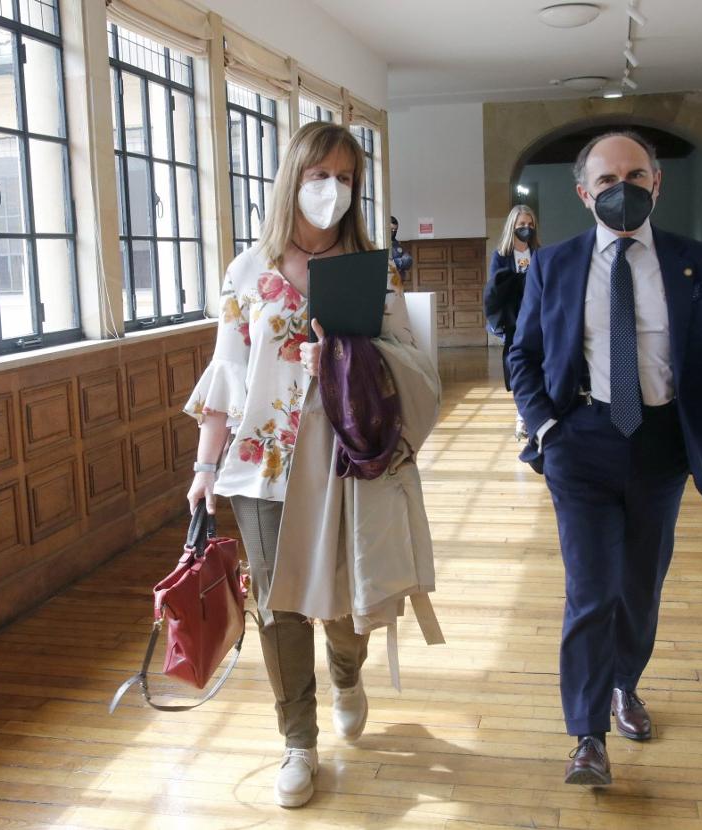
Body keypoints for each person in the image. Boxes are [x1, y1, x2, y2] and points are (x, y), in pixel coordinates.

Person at [507, 131, 702, 787]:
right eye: (605, 180)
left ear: (656, 183)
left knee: (639, 589)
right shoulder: (556, 265)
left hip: (662, 446)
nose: (619, 188)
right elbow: (524, 355)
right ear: (583, 193)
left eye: (633, 175)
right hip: (582, 443)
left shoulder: (699, 262)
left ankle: (626, 682)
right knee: (590, 591)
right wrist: (546, 427)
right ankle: (587, 736)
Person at [183, 121, 438, 809]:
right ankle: (298, 739)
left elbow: (411, 364)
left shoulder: (371, 267)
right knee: (278, 608)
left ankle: (347, 674)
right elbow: (227, 377)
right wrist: (204, 468)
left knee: (348, 600)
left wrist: (350, 359)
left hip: (348, 459)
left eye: (346, 177)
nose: (333, 189)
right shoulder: (246, 272)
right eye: (320, 174)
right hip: (262, 464)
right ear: (292, 177)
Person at [485, 205, 540, 439]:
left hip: (536, 320)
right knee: (516, 368)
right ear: (512, 228)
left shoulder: (538, 252)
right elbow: (496, 289)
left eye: (529, 225)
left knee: (535, 369)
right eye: (521, 226)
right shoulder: (501, 256)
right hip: (513, 321)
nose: (526, 229)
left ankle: (533, 415)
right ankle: (522, 415)